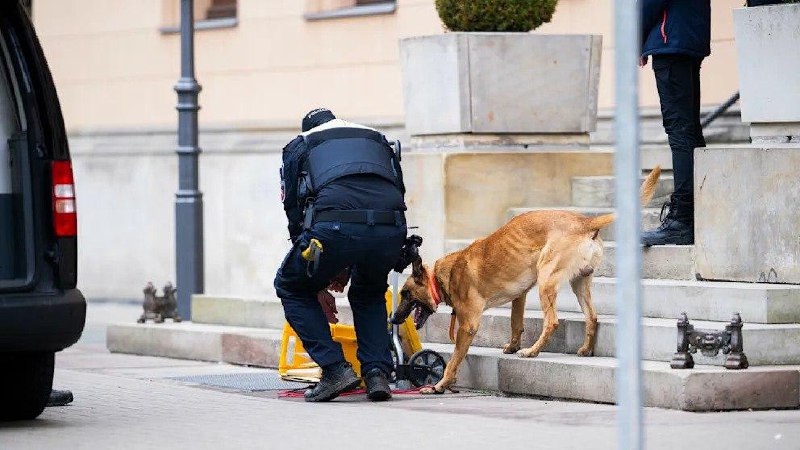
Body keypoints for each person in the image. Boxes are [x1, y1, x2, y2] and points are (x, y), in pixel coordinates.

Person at [274, 108, 408, 402]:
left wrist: (317, 279)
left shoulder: (301, 145)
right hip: (391, 227)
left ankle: (335, 370)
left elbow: (295, 212)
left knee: (290, 286)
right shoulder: (376, 139)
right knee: (370, 291)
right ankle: (377, 374)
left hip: (334, 227)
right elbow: (397, 190)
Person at [639, 0, 711, 246]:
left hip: (671, 39)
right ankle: (698, 214)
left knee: (680, 131)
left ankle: (682, 220)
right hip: (689, 37)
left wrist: (634, 37)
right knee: (689, 130)